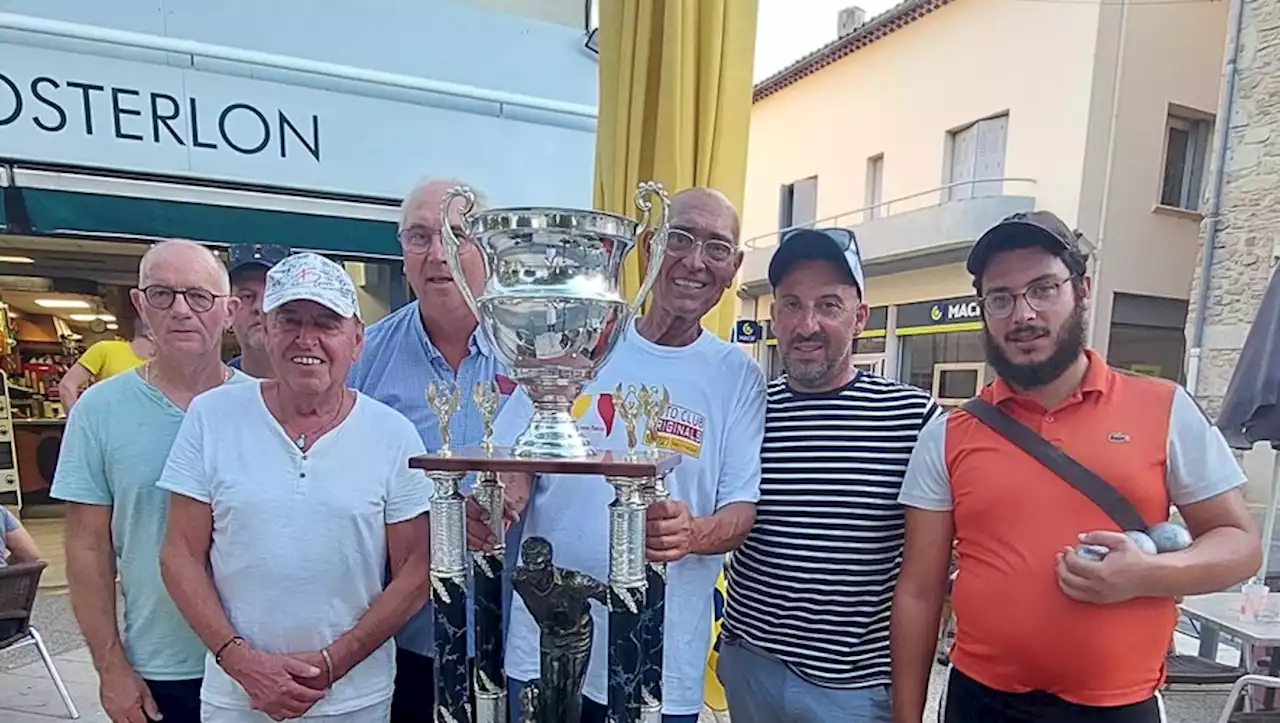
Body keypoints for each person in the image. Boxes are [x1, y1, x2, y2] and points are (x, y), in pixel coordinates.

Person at [891, 210, 1262, 723]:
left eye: (1042, 289)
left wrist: (1149, 574)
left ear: (1081, 289)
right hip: (982, 703)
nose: (1022, 314)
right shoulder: (948, 433)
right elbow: (918, 591)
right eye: (1000, 298)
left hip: (1118, 708)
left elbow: (1240, 545)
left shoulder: (1164, 408)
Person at [479, 187, 767, 723]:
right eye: (679, 238)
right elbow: (513, 456)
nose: (694, 261)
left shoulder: (739, 376)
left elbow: (740, 510)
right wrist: (502, 494)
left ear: (734, 268)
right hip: (546, 644)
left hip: (659, 661)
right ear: (650, 247)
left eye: (716, 247)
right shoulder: (580, 337)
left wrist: (693, 534)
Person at [158, 252, 432, 723]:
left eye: (327, 323)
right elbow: (179, 553)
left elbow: (416, 568)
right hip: (237, 697)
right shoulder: (212, 417)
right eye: (291, 321)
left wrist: (333, 664)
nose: (308, 339)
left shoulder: (394, 434)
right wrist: (243, 663)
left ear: (357, 340)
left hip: (355, 698)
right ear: (265, 329)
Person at [717, 227, 940, 723]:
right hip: (751, 666)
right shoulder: (750, 408)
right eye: (792, 305)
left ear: (860, 317)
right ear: (774, 315)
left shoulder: (912, 416)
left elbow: (929, 577)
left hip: (853, 691)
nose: (807, 324)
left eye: (829, 305)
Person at [51, 239, 249, 723]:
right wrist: (109, 666)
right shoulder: (99, 412)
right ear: (140, 305)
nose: (181, 310)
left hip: (258, 665)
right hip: (160, 668)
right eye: (163, 294)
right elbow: (87, 549)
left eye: (199, 296)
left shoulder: (263, 407)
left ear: (228, 312)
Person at [348, 178, 519, 722]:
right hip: (407, 641)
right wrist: (435, 519)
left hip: (517, 638)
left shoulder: (535, 351)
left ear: (488, 250)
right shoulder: (363, 358)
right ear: (401, 254)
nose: (438, 253)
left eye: (457, 234)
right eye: (420, 236)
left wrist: (518, 485)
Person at [58, 314, 154, 410]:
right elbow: (67, 385)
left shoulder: (164, 363)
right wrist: (77, 422)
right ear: (150, 333)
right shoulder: (105, 350)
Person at [226, 243, 291, 378]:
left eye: (270, 295)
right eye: (247, 296)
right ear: (229, 311)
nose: (259, 307)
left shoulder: (339, 385)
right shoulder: (213, 391)